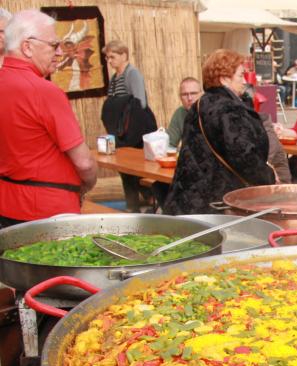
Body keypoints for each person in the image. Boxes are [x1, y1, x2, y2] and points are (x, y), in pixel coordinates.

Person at [0, 10, 96, 226]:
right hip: (50, 210)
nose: (60, 52)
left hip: (7, 205)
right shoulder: (44, 91)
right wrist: (89, 183)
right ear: (27, 46)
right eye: (54, 45)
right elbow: (84, 163)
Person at [162, 49, 274, 215]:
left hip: (189, 196)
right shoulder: (228, 109)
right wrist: (268, 177)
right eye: (240, 75)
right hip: (217, 201)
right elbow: (243, 155)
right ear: (224, 79)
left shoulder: (200, 105)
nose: (244, 81)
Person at [101, 39, 156, 212]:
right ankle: (133, 206)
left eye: (113, 56)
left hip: (137, 130)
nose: (110, 61)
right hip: (122, 131)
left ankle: (149, 198)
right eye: (108, 58)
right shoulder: (115, 78)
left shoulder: (132, 74)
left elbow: (140, 104)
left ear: (124, 55)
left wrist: (131, 134)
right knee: (125, 170)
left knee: (136, 169)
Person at [166, 77, 202, 147]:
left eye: (193, 93)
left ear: (201, 94)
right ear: (180, 97)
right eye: (185, 94)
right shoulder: (179, 113)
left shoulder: (211, 112)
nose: (189, 98)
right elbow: (170, 143)